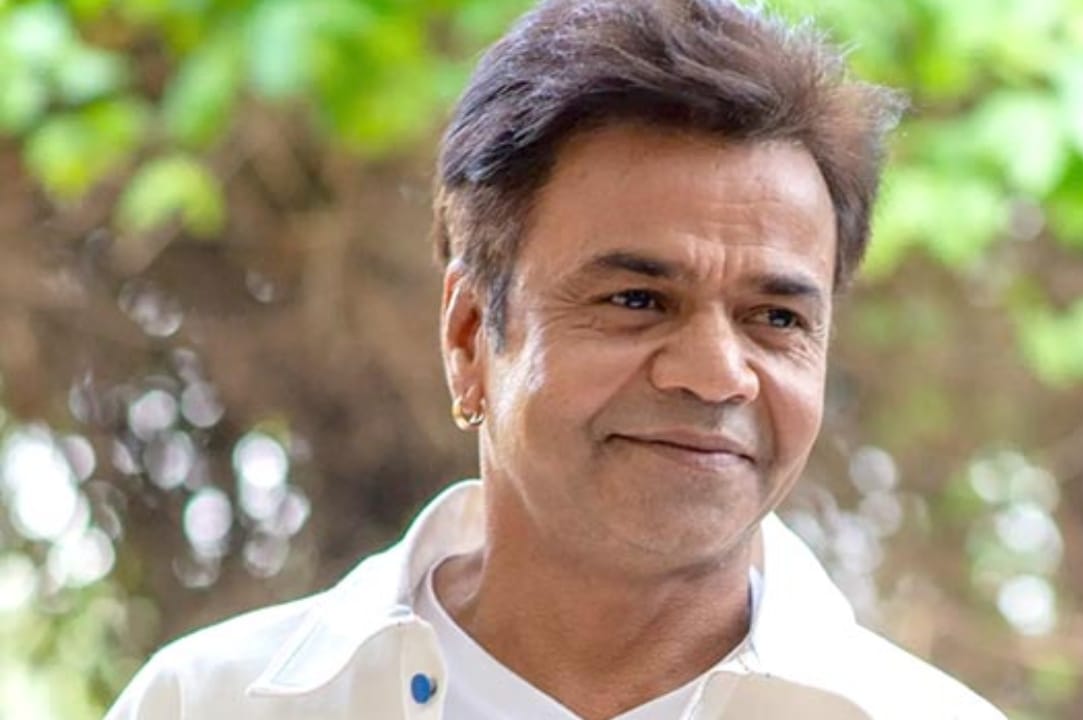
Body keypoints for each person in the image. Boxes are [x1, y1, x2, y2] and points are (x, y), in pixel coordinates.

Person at [105, 1, 1007, 718]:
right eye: (637, 300)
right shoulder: (211, 704)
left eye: (775, 318)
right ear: (469, 336)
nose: (714, 374)